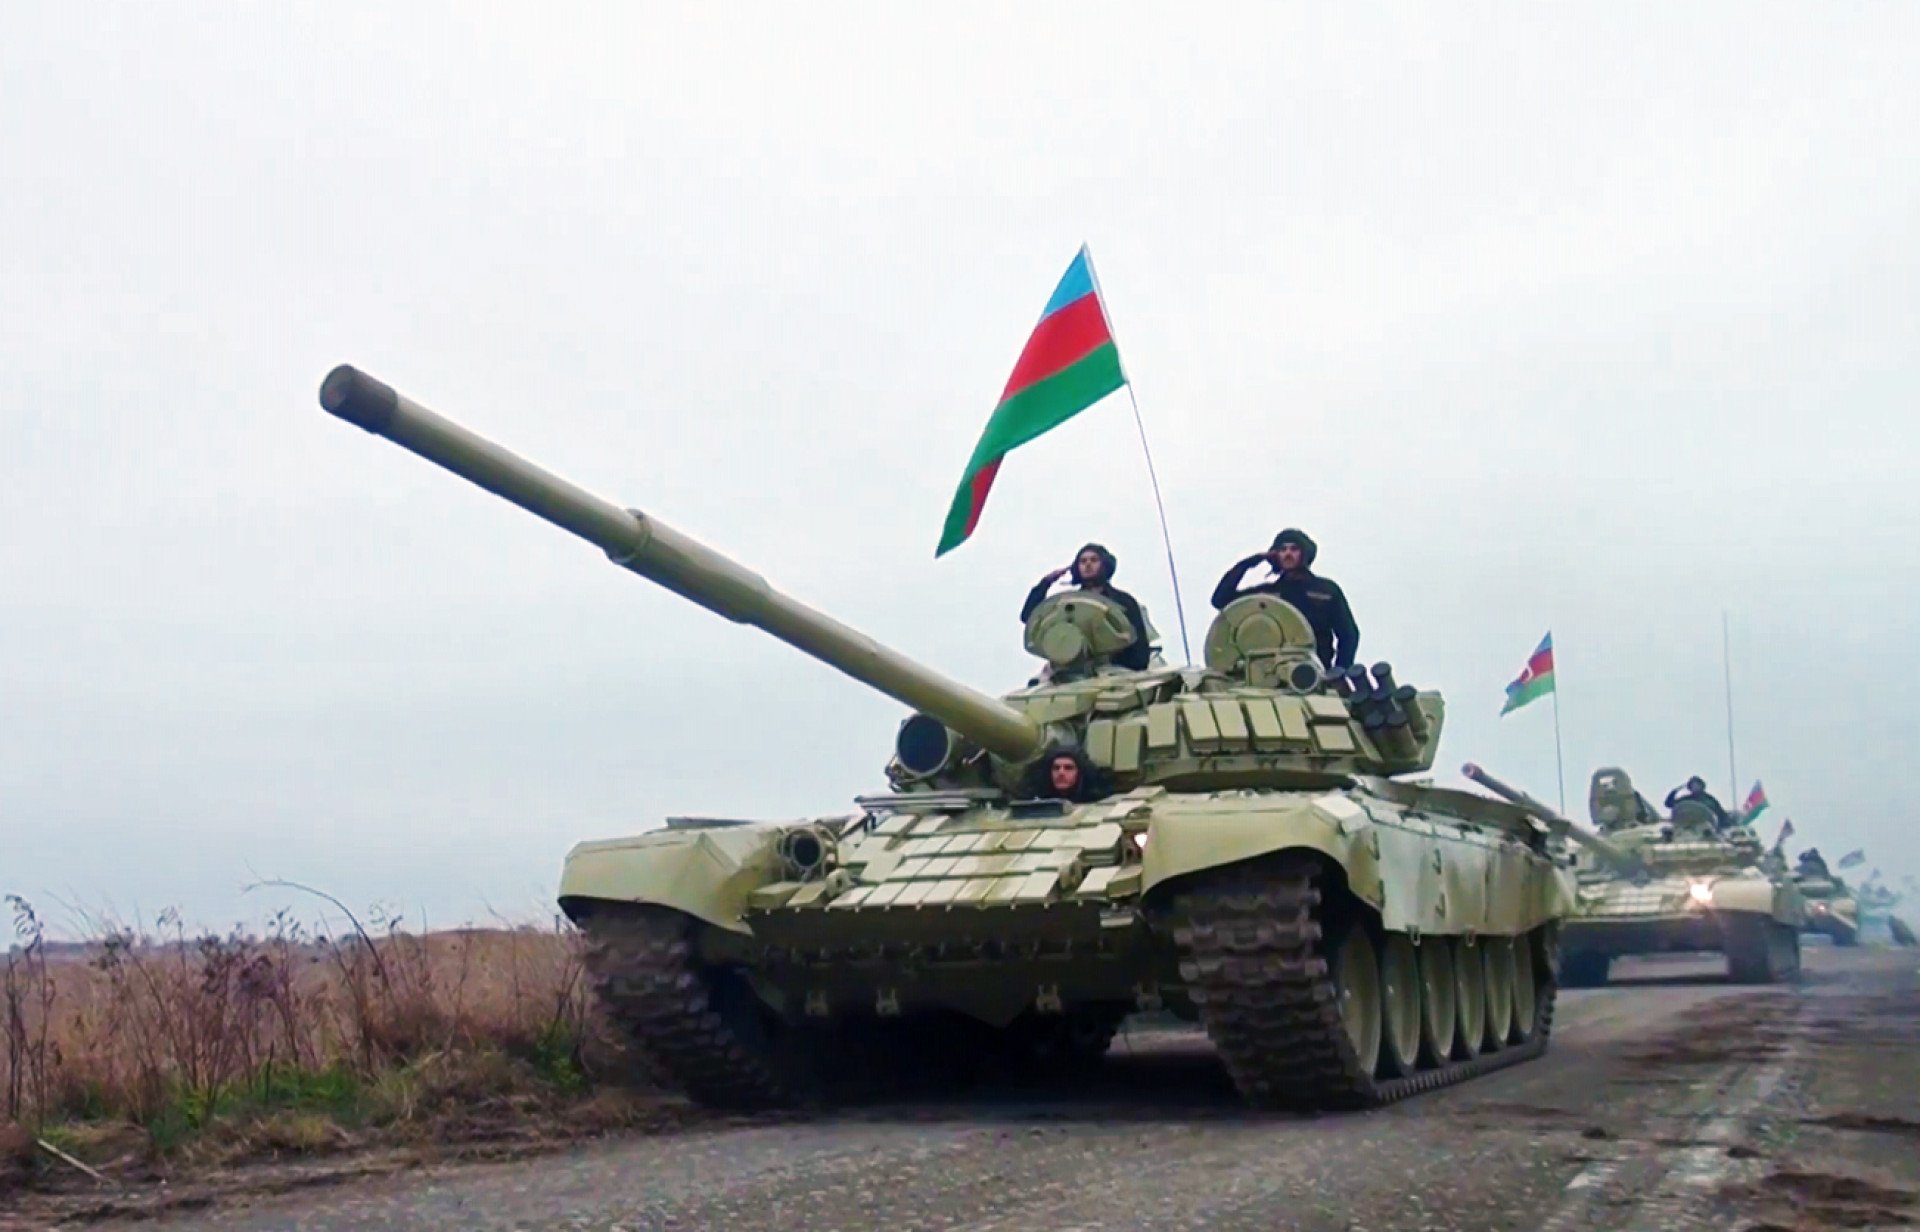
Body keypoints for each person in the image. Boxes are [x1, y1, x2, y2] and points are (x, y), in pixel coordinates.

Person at [1209, 528, 1359, 669]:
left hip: (1316, 674)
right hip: (1271, 676)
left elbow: (1349, 634)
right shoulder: (1266, 596)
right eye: (1282, 549)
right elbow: (1220, 600)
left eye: (1294, 549)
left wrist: (1340, 672)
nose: (1288, 554)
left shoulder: (1326, 592)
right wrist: (1250, 562)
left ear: (1304, 554)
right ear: (1275, 555)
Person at [1020, 543, 1152, 670]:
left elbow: (1138, 642)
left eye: (1094, 560)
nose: (1088, 564)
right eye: (1082, 561)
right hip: (1071, 669)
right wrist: (1045, 583)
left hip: (1116, 668)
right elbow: (1029, 617)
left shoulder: (1123, 601)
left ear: (1105, 565)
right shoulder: (1069, 603)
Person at [1023, 746, 1105, 803]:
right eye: (1056, 768)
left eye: (1068, 768)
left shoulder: (1099, 800)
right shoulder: (1033, 800)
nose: (1061, 773)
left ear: (1080, 773)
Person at [1664, 776, 1729, 829]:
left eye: (1697, 785)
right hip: (1687, 829)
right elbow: (1668, 804)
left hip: (1707, 830)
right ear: (1690, 788)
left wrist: (1721, 827)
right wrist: (1675, 790)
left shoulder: (1710, 800)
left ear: (1702, 786)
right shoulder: (1686, 800)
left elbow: (1722, 814)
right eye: (1693, 785)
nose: (1695, 787)